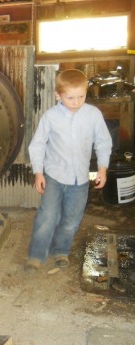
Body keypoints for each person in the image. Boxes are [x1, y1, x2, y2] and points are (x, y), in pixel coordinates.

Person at [25, 69, 112, 274]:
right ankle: (36, 256)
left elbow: (103, 142)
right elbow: (37, 145)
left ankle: (61, 251)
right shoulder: (51, 117)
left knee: (71, 219)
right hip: (54, 176)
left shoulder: (93, 115)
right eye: (70, 98)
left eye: (81, 96)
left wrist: (102, 168)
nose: (76, 102)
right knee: (47, 217)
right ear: (58, 95)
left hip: (80, 179)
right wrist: (38, 172)